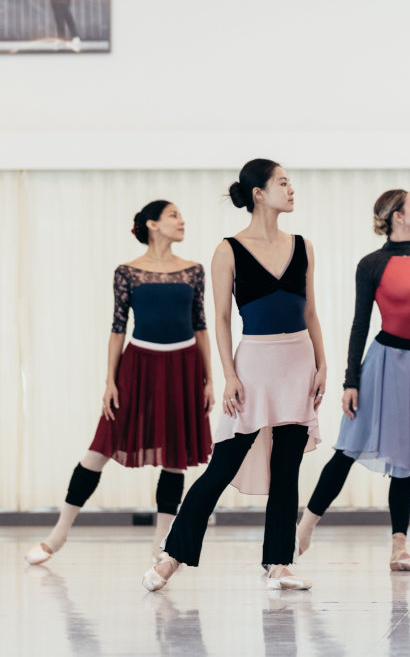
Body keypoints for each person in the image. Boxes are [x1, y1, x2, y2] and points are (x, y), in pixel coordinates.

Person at [142, 159, 326, 592]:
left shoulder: (303, 244)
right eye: (283, 182)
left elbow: (311, 311)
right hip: (254, 364)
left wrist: (323, 365)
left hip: (298, 362)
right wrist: (229, 374)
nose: (291, 189)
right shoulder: (228, 249)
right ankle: (172, 556)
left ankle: (278, 565)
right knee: (221, 466)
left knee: (287, 470)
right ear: (259, 193)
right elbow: (220, 318)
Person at [25, 200, 214, 565]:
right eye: (174, 215)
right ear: (152, 224)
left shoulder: (193, 271)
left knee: (174, 458)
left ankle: (162, 545)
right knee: (98, 450)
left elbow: (201, 326)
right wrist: (110, 381)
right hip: (138, 365)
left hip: (183, 366)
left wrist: (209, 379)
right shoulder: (127, 272)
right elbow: (117, 329)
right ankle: (58, 533)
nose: (182, 221)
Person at [295, 189, 410, 571]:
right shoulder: (371, 264)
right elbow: (360, 322)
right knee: (349, 447)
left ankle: (399, 549)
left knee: (406, 459)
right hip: (383, 363)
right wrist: (351, 380)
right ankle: (303, 529)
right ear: (397, 215)